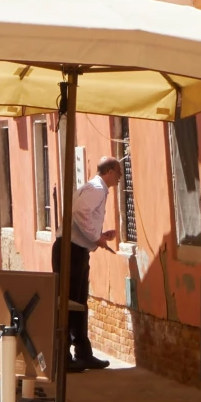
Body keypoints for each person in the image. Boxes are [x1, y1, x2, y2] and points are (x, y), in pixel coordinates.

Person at [52, 155, 123, 372]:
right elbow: (79, 212)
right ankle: (64, 356)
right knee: (69, 302)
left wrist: (99, 236)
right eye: (119, 173)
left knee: (79, 302)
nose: (120, 178)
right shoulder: (97, 189)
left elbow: (80, 217)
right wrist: (95, 237)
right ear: (110, 172)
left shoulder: (94, 188)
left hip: (75, 250)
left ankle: (83, 353)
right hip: (70, 251)